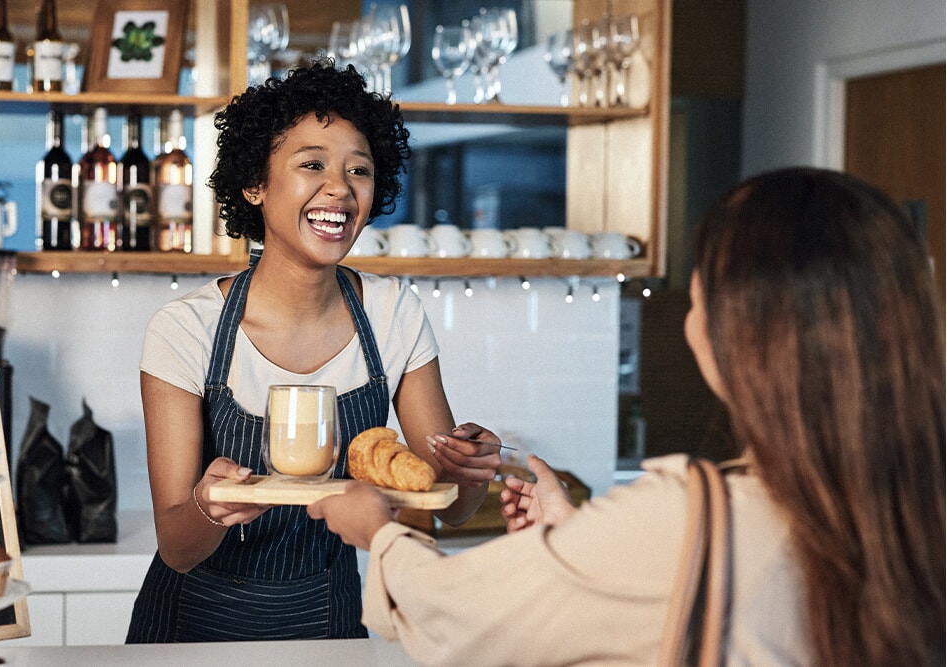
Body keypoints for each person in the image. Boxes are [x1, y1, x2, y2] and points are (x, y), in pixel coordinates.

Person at [309, 167, 945, 666]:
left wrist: (380, 534)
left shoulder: (690, 514)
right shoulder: (918, 508)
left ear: (741, 336)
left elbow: (458, 613)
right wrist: (576, 538)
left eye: (700, 295)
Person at [126, 60, 503, 643]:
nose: (340, 188)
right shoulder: (187, 329)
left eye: (359, 170)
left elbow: (445, 506)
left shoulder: (393, 314)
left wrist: (469, 471)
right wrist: (209, 507)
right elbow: (177, 546)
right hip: (192, 630)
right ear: (254, 184)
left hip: (329, 622)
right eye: (312, 165)